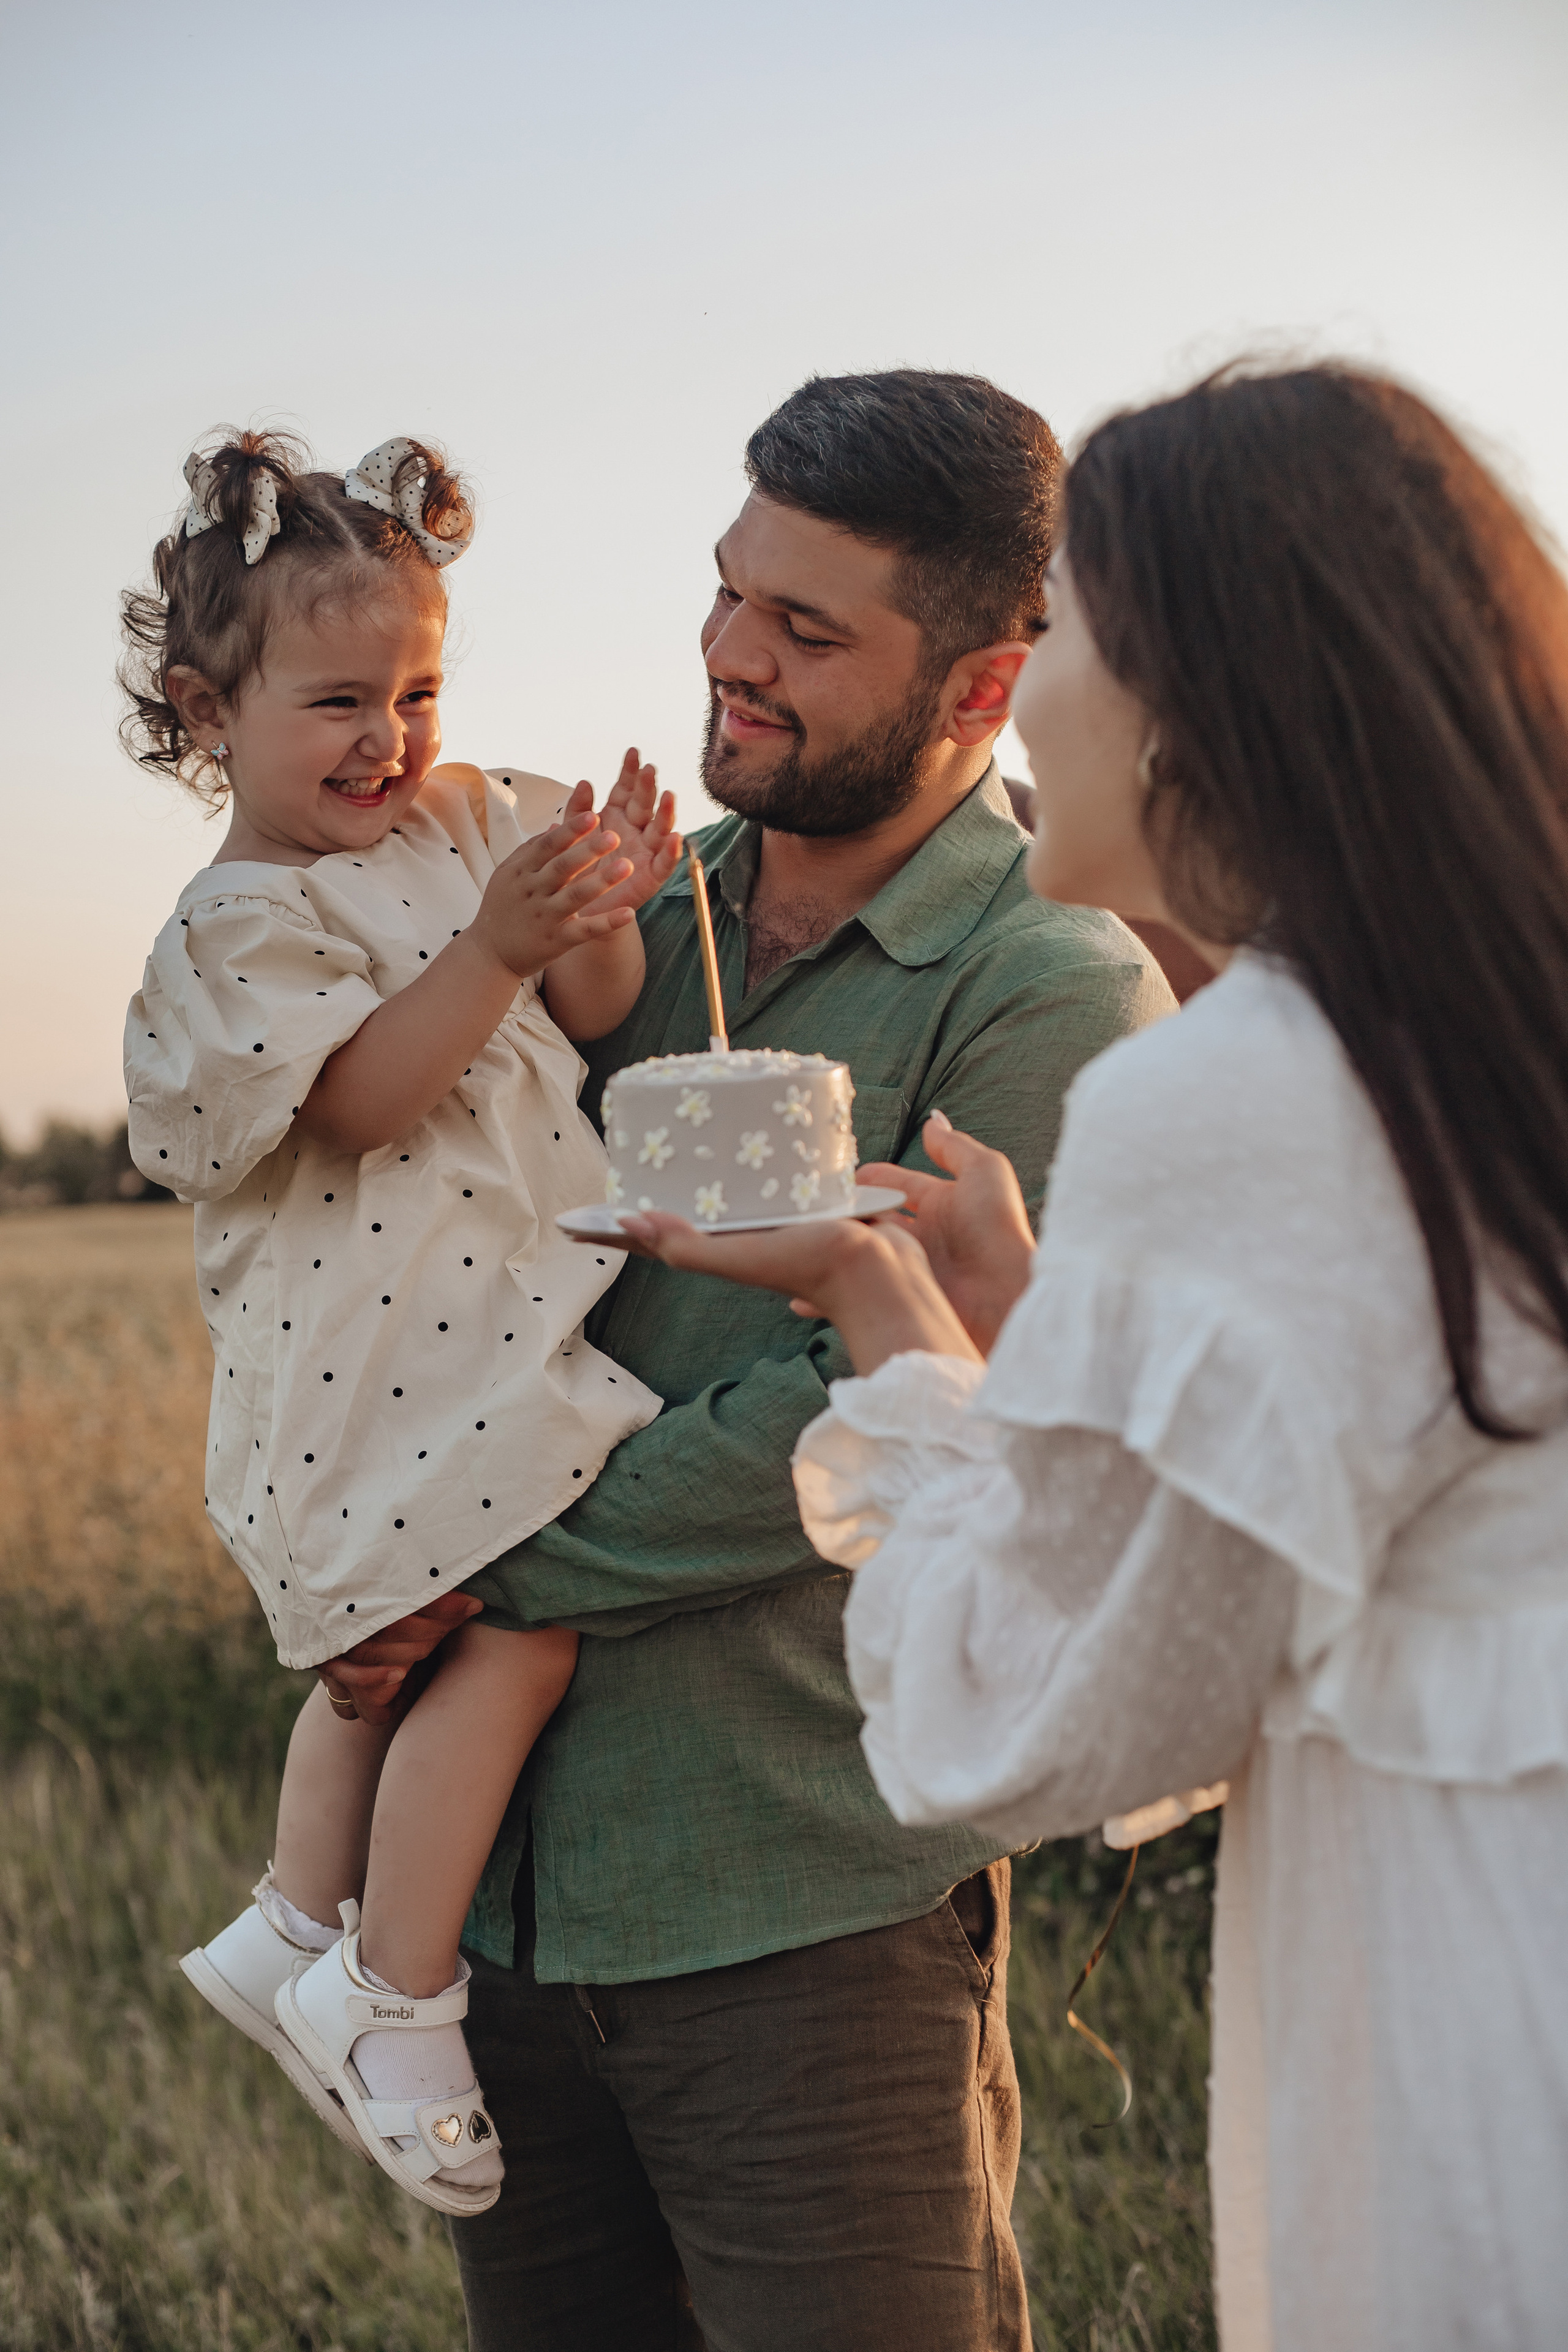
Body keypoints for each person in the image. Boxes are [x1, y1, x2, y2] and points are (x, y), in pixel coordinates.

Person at [617, 363, 1568, 2352]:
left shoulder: (1238, 1089)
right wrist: (1005, 1329)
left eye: (1078, 652)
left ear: (1205, 706)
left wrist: (893, 1344)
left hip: (1466, 2015)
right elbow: (1313, 1554)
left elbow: (1051, 1724)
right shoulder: (1461, 1048)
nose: (1032, 703)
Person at [325, 371, 1175, 2350]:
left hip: (809, 1916)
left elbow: (891, 1410)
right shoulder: (616, 916)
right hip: (499, 1929)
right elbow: (418, 1258)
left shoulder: (1047, 981)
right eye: (730, 594)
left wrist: (471, 1562)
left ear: (983, 685)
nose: (730, 657)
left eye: (808, 632)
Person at [121, 429, 681, 2215]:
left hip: (472, 1328)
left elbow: (597, 1009)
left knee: (419, 1636)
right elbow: (363, 1100)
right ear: (212, 711)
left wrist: (592, 911)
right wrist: (496, 953)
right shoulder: (240, 927)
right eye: (340, 701)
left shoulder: (466, 823)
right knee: (498, 1638)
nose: (394, 739)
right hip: (373, 1352)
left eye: (422, 690)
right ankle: (389, 1989)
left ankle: (292, 1918)